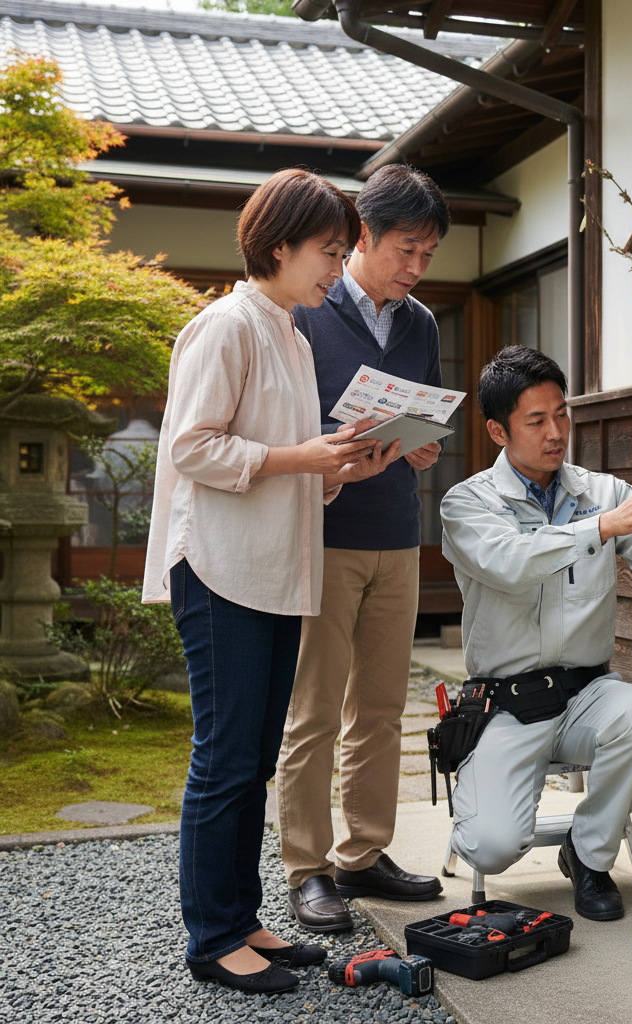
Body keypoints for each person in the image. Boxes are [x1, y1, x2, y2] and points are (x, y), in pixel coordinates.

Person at [142, 169, 401, 992]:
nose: (336, 266)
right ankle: (212, 938)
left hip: (270, 570)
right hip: (220, 570)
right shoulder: (225, 325)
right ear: (279, 246)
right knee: (225, 758)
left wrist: (347, 467)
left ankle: (243, 917)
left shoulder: (289, 332)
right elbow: (192, 447)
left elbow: (289, 468)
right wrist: (306, 456)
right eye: (328, 252)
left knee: (253, 757)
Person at [439, 345, 632, 921]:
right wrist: (600, 526)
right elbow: (510, 561)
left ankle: (588, 855)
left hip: (586, 694)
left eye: (562, 414)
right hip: (506, 705)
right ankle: (494, 796)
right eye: (537, 420)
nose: (556, 432)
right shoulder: (468, 503)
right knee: (490, 846)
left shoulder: (600, 490)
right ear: (497, 430)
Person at [276, 165, 451, 932]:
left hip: (397, 533)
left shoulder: (421, 324)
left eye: (428, 256)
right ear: (364, 238)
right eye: (406, 250)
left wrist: (423, 448)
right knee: (313, 711)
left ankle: (363, 853)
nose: (415, 269)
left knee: (380, 707)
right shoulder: (307, 311)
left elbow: (430, 416)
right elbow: (280, 427)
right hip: (323, 533)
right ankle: (306, 869)